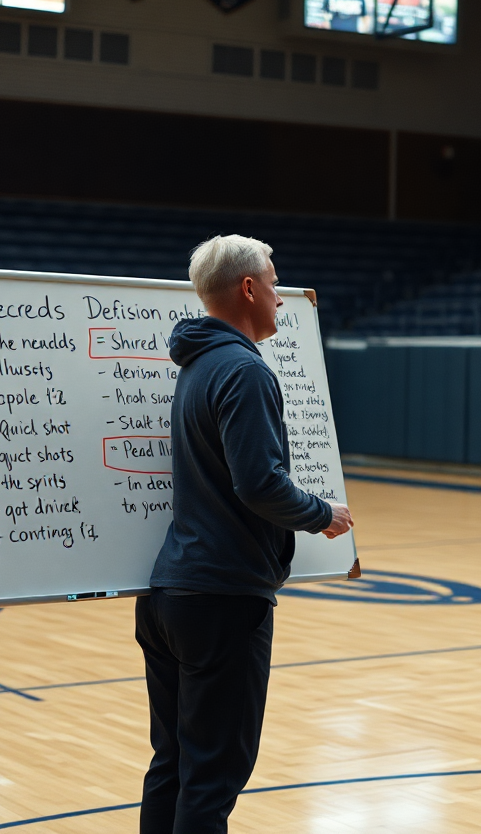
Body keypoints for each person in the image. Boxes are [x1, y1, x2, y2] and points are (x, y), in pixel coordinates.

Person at [136, 235, 354, 834]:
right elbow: (258, 484)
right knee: (211, 779)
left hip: (170, 595)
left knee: (174, 766)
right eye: (276, 282)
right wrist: (321, 513)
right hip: (223, 599)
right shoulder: (243, 370)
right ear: (250, 288)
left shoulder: (198, 364)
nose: (282, 297)